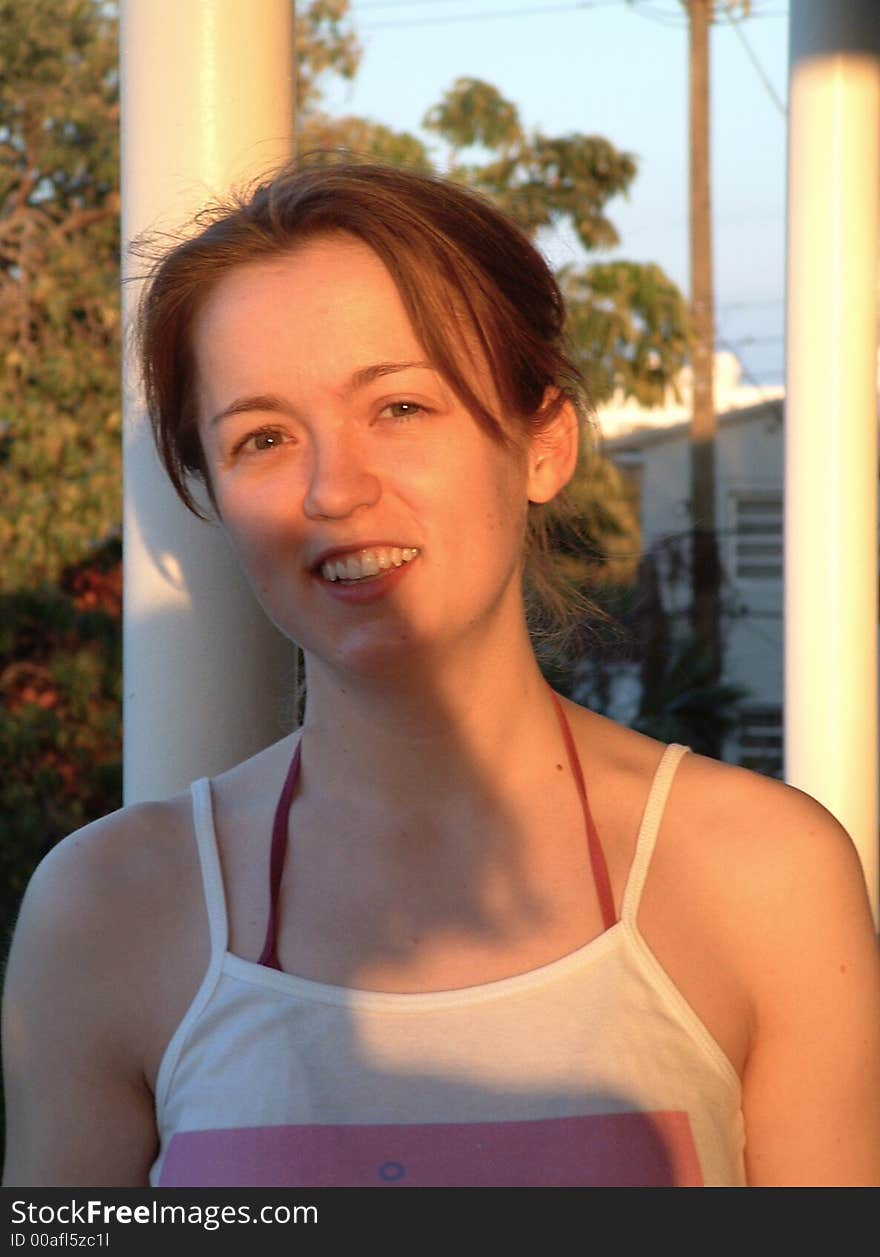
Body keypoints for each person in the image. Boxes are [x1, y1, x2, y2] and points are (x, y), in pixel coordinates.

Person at [3, 160, 879, 1189]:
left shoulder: (762, 876)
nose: (336, 489)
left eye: (401, 408)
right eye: (265, 438)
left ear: (543, 442)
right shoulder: (109, 909)